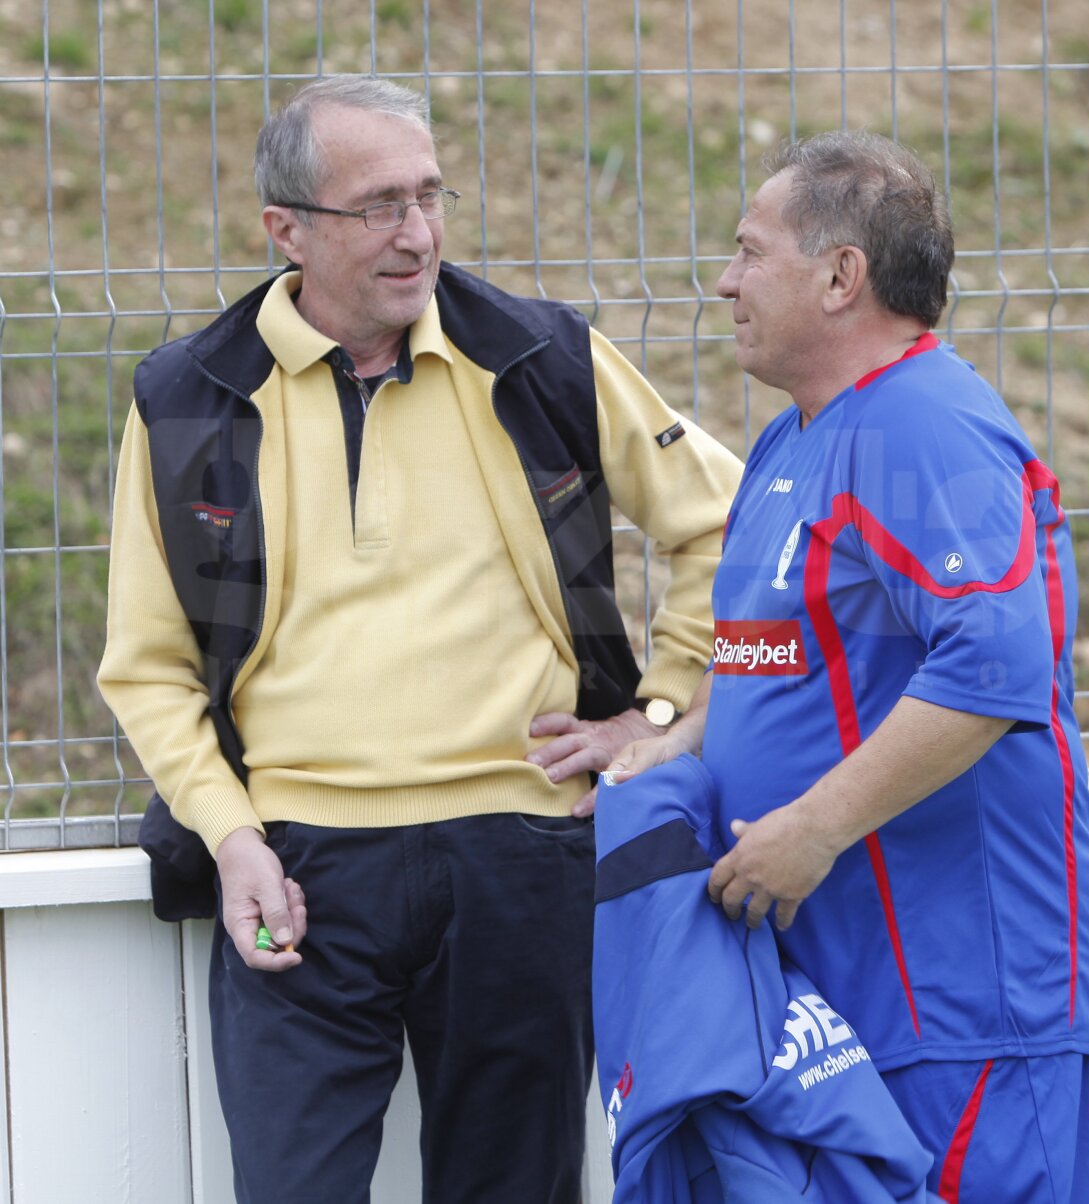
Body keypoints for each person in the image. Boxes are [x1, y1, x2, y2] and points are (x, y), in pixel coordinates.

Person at [97, 74, 742, 1204]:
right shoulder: (187, 398)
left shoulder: (541, 358)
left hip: (524, 849)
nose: (420, 233)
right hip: (294, 862)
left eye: (432, 195)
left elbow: (730, 525)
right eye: (380, 205)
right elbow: (145, 665)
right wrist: (231, 833)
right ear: (286, 228)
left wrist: (660, 719)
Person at [607, 130, 1089, 1202]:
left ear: (842, 277)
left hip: (964, 997)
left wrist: (817, 826)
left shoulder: (929, 426)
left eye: (750, 251)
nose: (724, 279)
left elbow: (995, 663)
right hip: (842, 993)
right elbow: (761, 662)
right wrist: (663, 744)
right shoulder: (797, 440)